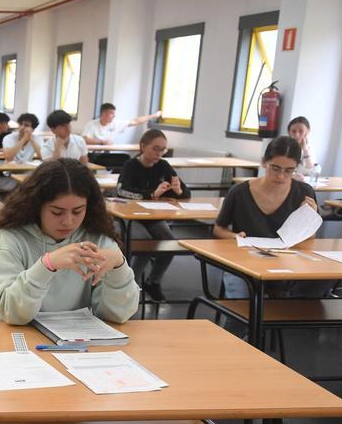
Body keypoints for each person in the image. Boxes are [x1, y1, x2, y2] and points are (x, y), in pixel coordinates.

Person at [0, 159, 139, 424]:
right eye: (57, 212)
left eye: (77, 212)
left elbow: (118, 313)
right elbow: (14, 313)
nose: (68, 222)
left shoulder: (96, 239)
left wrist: (118, 266)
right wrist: (47, 265)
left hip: (71, 339)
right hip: (8, 337)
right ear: (37, 205)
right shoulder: (11, 239)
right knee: (20, 403)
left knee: (80, 404)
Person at [213, 136, 324, 298]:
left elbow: (309, 239)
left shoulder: (304, 192)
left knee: (312, 292)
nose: (281, 176)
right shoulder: (238, 192)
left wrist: (310, 218)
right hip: (245, 262)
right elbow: (218, 229)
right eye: (275, 168)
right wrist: (234, 237)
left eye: (289, 170)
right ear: (264, 162)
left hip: (286, 262)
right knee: (243, 308)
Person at [116, 129, 190, 300]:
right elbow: (122, 190)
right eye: (155, 148)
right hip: (130, 216)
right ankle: (130, 285)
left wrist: (179, 191)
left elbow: (185, 192)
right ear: (143, 146)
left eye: (163, 149)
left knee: (169, 244)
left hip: (151, 216)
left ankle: (153, 281)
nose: (159, 153)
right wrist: (152, 194)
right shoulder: (131, 165)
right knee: (145, 244)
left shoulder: (163, 165)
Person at [81, 103, 162, 145]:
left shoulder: (116, 123)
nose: (114, 116)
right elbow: (85, 139)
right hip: (93, 154)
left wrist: (154, 116)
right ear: (104, 113)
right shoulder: (91, 124)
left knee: (124, 159)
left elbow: (135, 121)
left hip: (108, 153)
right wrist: (102, 142)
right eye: (111, 113)